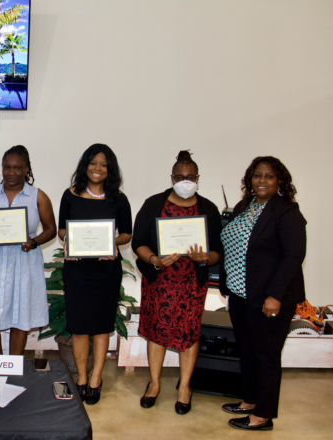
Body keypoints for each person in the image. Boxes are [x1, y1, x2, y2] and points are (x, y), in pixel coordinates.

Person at [219, 157, 306, 431]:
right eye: (258, 175)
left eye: (269, 176)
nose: (263, 181)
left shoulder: (286, 211)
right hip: (241, 293)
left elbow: (294, 256)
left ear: (279, 180)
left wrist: (275, 295)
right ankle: (250, 401)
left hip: (269, 297)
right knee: (247, 351)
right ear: (250, 179)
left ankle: (263, 416)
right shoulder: (246, 206)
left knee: (266, 355)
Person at [132, 150, 222, 415]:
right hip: (159, 279)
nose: (186, 181)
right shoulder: (153, 204)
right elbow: (138, 243)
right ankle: (155, 384)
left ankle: (184, 387)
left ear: (198, 179)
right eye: (181, 177)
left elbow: (218, 251)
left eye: (190, 177)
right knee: (156, 331)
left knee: (189, 333)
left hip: (192, 282)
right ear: (172, 178)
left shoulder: (208, 208)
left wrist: (206, 257)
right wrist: (154, 260)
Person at [57, 144, 132, 404]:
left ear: (110, 169)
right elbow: (62, 230)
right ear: (85, 165)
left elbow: (127, 234)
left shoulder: (118, 198)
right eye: (93, 163)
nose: (97, 168)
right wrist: (69, 241)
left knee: (101, 328)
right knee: (79, 328)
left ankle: (96, 378)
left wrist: (112, 243)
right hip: (77, 269)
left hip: (106, 271)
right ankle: (80, 377)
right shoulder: (70, 195)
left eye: (103, 164)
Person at [0, 145, 56, 356]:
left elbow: (51, 229)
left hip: (25, 260)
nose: (11, 173)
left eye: (17, 168)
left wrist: (34, 242)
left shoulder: (38, 196)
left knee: (20, 317)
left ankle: (13, 364)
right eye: (7, 167)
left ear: (27, 169)